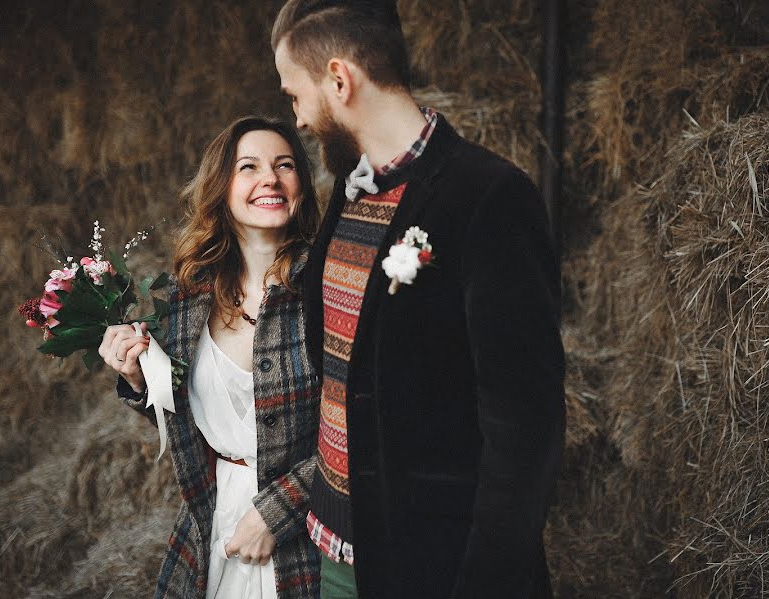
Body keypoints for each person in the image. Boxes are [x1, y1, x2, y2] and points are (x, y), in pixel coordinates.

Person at [271, 2, 566, 598]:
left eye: (295, 96)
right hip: (333, 552)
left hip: (430, 565)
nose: (297, 120)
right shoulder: (349, 192)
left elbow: (525, 430)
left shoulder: (488, 198)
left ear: (339, 79)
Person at [99, 116, 322, 599]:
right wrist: (139, 379)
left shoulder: (325, 290)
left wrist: (276, 512)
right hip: (211, 523)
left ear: (302, 184)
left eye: (285, 165)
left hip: (307, 533)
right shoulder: (188, 297)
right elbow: (189, 416)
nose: (271, 178)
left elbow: (361, 429)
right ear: (222, 188)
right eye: (249, 167)